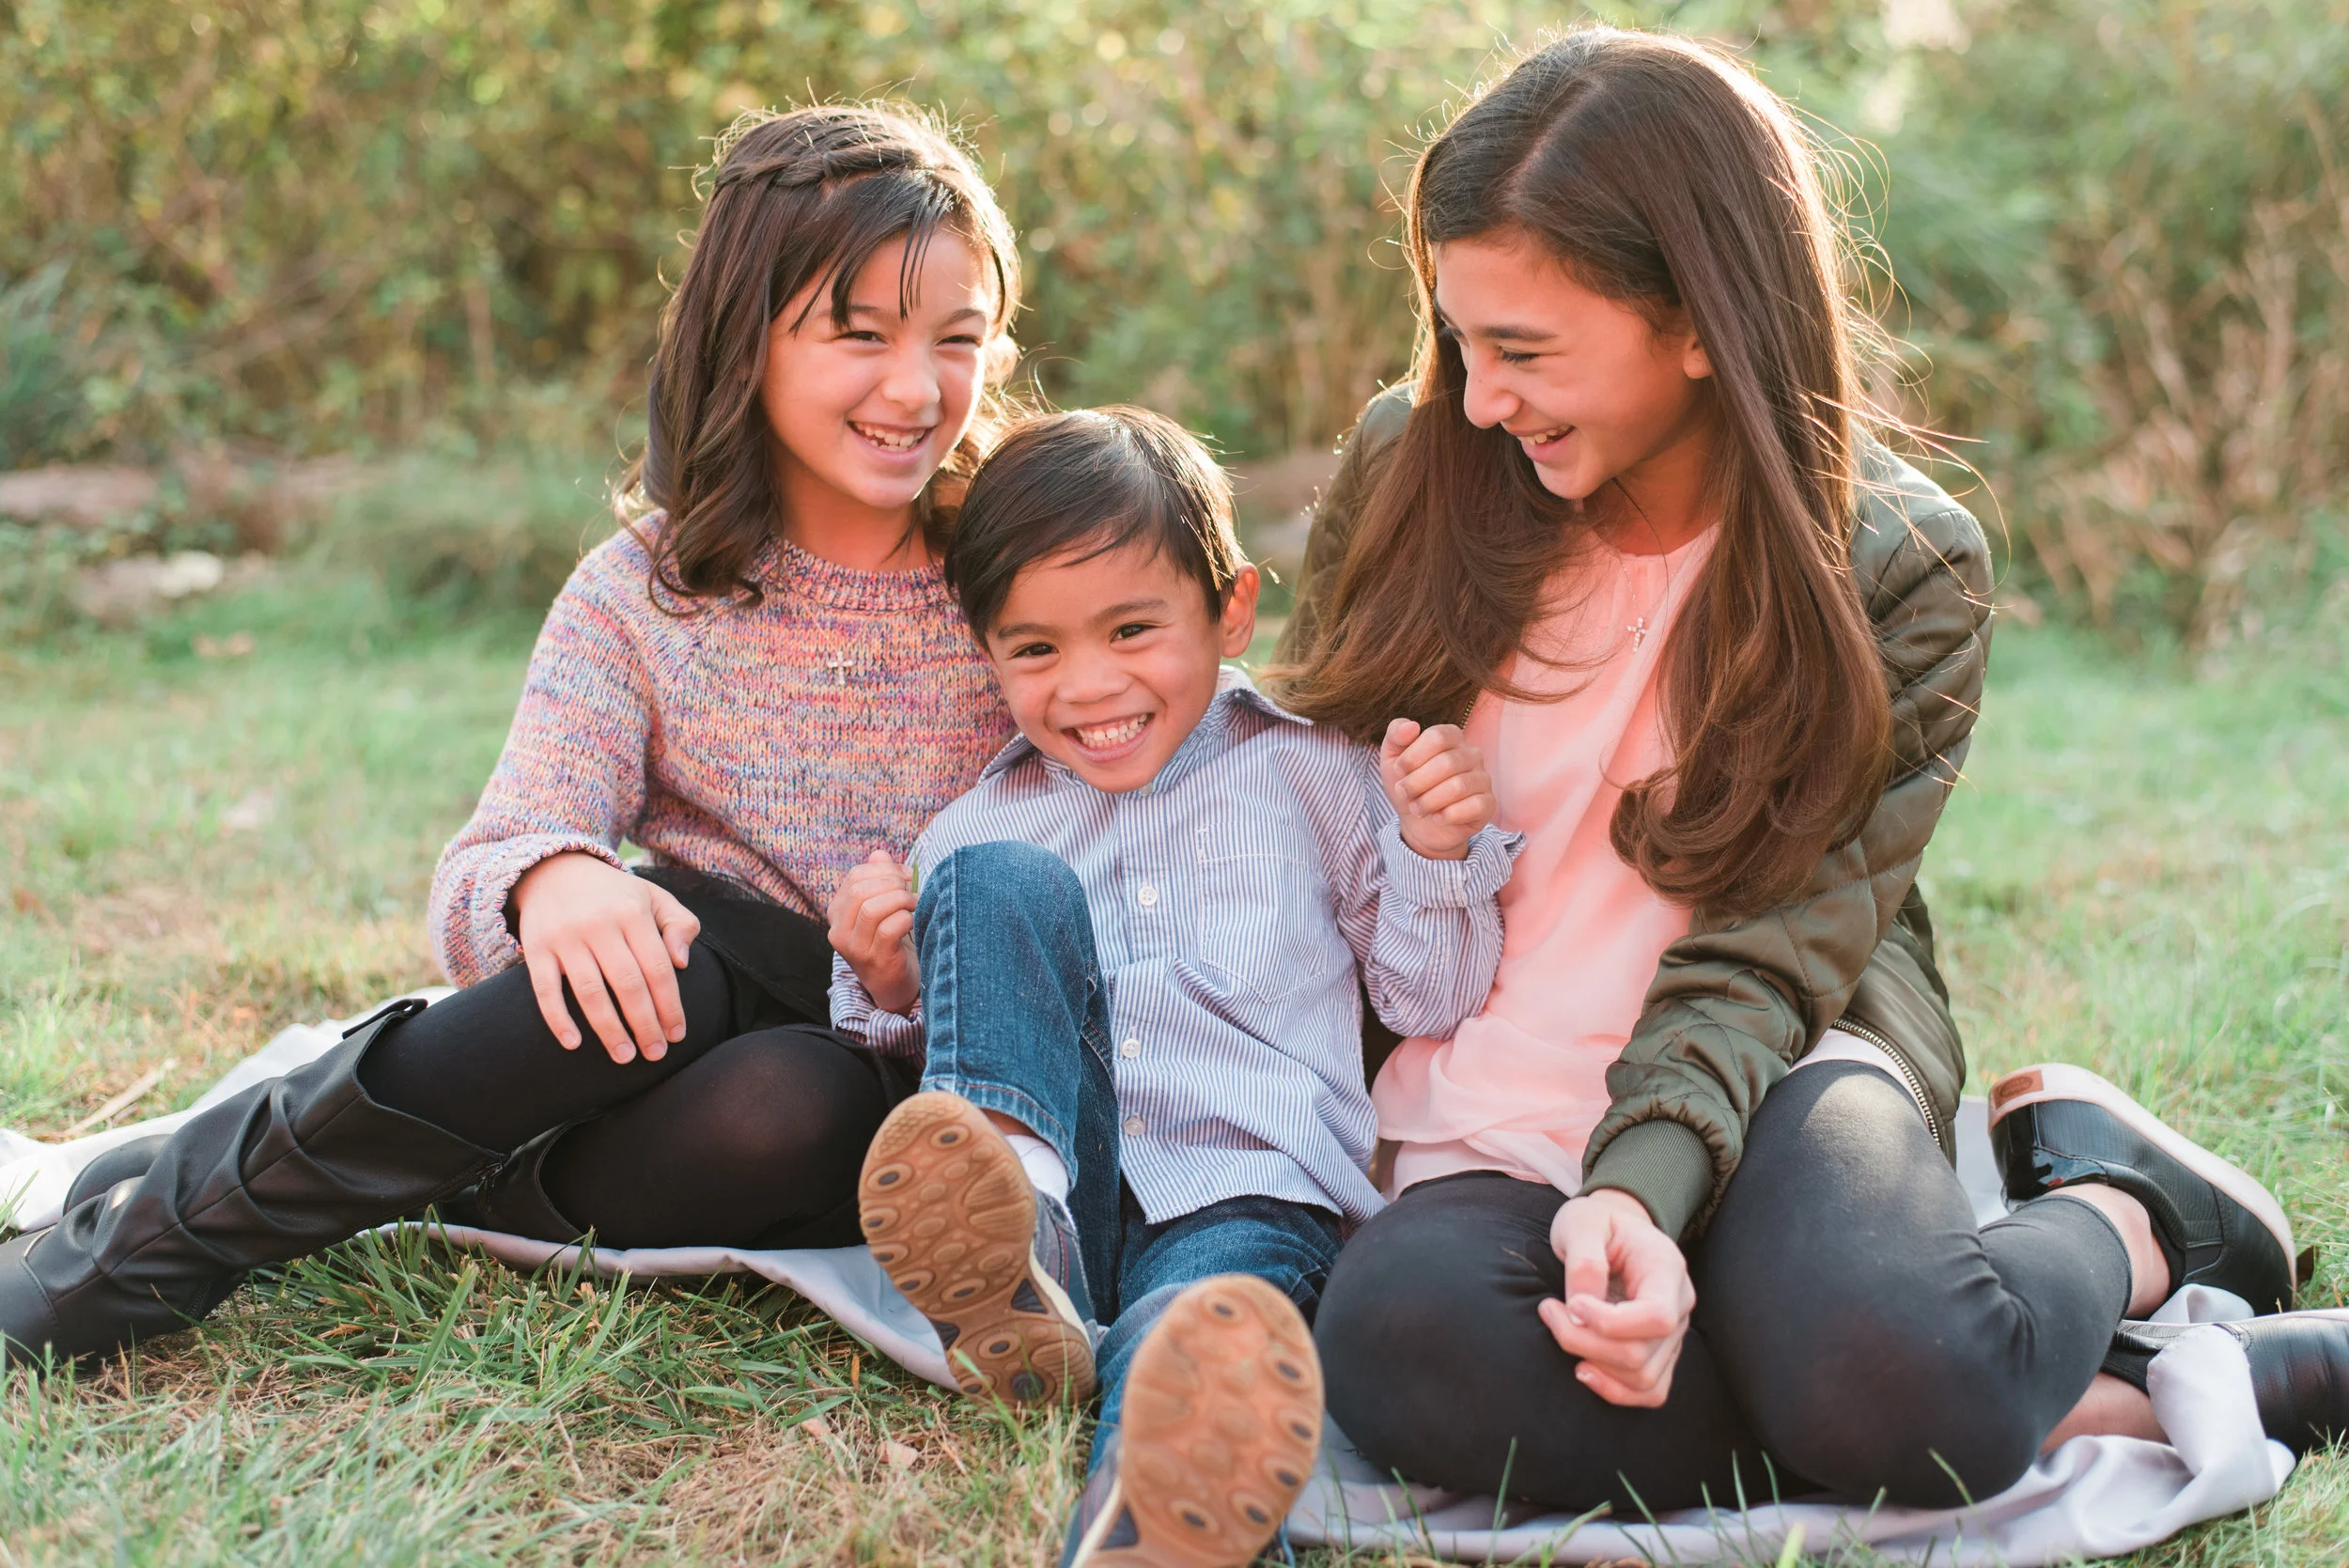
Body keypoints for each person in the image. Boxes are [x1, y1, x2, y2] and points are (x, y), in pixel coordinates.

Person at [1283, 27, 2346, 1516]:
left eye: (1524, 351)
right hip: (1479, 1096)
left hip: (1779, 1042)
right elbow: (1303, 797)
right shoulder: (1413, 472)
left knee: (1889, 1377)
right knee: (1403, 1343)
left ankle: (2133, 1212)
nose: (1476, 398)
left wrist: (1636, 1192)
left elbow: (1775, 948)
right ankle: (2094, 1388)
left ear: (1702, 320)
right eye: (1461, 338)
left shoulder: (1898, 564)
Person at [0, 102, 1028, 1363]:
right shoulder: (645, 593)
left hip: (887, 1078)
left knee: (797, 1101)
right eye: (857, 334)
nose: (916, 387)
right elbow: (494, 850)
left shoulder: (1017, 572)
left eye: (959, 340)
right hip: (667, 1009)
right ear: (743, 336)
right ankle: (129, 1262)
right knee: (667, 955)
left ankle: (398, 1173)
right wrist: (553, 877)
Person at [823, 406, 1519, 1566]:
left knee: (1187, 1342)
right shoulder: (973, 825)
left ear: (1231, 607)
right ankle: (1022, 1259)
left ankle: (1146, 1530)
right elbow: (933, 1064)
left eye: (1133, 628)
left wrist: (1435, 852)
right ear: (985, 650)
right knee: (992, 883)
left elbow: (1426, 1001)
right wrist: (889, 976)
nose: (1088, 685)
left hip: (1247, 1190)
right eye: (1034, 649)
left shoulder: (1315, 772)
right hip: (1066, 1193)